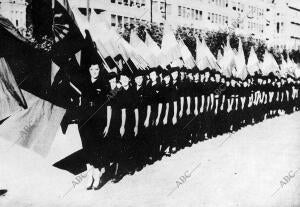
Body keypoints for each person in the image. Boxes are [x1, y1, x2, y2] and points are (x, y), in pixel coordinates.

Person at [78, 64, 108, 190]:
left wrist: (106, 123)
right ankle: (89, 178)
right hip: (85, 121)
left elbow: (106, 106)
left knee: (96, 149)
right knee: (87, 148)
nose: (94, 71)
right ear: (88, 70)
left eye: (96, 69)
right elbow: (81, 101)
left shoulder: (103, 84)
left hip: (98, 121)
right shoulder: (84, 84)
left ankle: (97, 178)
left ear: (99, 70)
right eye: (91, 69)